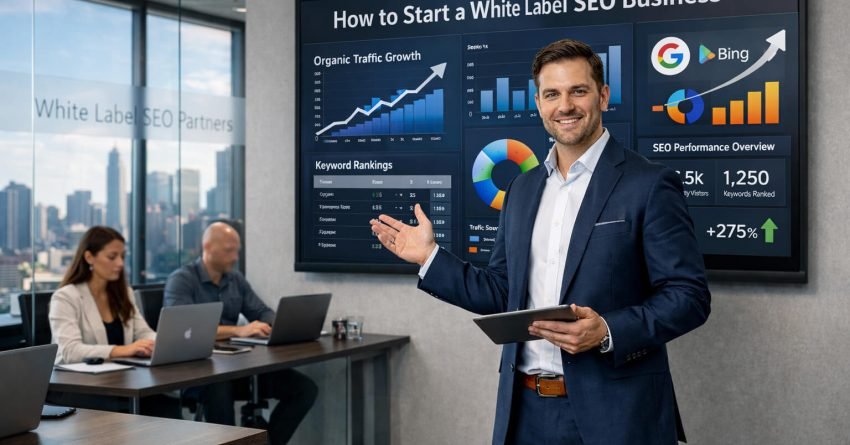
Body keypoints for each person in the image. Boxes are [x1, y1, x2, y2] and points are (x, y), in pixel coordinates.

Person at [370, 39, 711, 445]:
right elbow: (503, 292)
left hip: (617, 414)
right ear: (538, 102)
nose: (564, 106)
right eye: (552, 94)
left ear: (602, 96)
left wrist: (606, 330)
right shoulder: (522, 189)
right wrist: (429, 257)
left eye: (578, 91)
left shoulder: (650, 184)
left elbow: (688, 296)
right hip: (526, 413)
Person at [164, 222, 317, 444]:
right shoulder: (182, 280)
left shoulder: (235, 279)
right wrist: (240, 329)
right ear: (207, 247)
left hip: (237, 370)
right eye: (229, 250)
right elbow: (184, 330)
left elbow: (262, 311)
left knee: (304, 389)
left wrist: (279, 325)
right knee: (219, 386)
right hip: (196, 376)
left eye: (237, 250)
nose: (235, 256)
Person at [47, 226, 179, 418]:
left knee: (165, 404)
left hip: (121, 380)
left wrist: (159, 341)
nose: (119, 263)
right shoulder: (66, 297)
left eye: (122, 257)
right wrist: (123, 350)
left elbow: (143, 332)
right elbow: (68, 351)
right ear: (89, 257)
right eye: (112, 257)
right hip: (79, 387)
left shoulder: (123, 293)